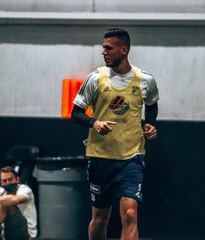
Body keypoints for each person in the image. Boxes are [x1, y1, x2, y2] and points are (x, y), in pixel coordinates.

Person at [71, 28, 159, 240]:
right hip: (101, 158)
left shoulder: (145, 80)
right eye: (103, 48)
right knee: (100, 217)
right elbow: (76, 113)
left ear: (124, 50)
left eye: (108, 48)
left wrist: (151, 125)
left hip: (132, 158)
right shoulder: (95, 78)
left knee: (130, 214)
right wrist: (94, 123)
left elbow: (152, 105)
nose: (104, 52)